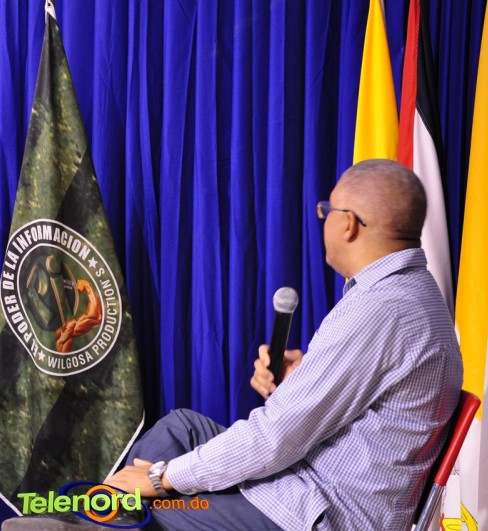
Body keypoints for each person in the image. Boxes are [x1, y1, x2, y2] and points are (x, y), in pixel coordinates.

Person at [104, 159, 463, 530]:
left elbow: (274, 439)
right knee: (180, 429)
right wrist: (302, 378)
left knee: (147, 514)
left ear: (348, 224)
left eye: (327, 210)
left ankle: (104, 517)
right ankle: (103, 515)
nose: (323, 219)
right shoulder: (413, 293)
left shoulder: (381, 309)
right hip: (307, 481)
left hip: (321, 510)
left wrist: (161, 477)